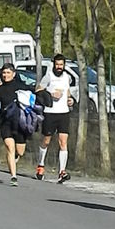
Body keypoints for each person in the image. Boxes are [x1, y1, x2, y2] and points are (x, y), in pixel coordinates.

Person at [35, 54, 73, 183]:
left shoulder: (67, 77)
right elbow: (38, 90)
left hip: (64, 113)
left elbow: (67, 91)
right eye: (57, 64)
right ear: (54, 64)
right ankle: (40, 165)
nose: (59, 67)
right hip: (50, 112)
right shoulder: (48, 76)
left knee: (63, 142)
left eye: (61, 65)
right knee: (46, 141)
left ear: (64, 65)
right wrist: (51, 94)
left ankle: (62, 171)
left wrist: (70, 99)